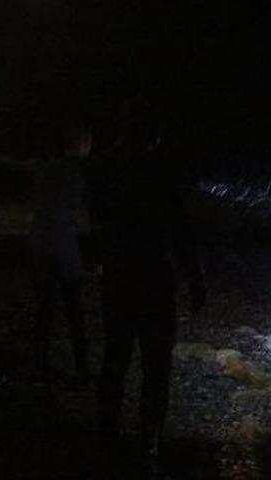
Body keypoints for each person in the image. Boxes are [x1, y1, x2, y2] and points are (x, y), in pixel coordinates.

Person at [86, 97, 205, 472]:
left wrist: (97, 263)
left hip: (119, 276)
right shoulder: (158, 169)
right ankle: (149, 442)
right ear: (151, 132)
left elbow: (93, 222)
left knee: (115, 357)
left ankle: (107, 436)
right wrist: (195, 277)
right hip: (153, 277)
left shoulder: (101, 167)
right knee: (156, 364)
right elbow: (179, 228)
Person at [30, 121, 92, 383]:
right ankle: (81, 368)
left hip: (41, 244)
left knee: (44, 309)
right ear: (84, 143)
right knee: (74, 309)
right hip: (64, 246)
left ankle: (41, 364)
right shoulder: (80, 171)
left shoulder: (47, 170)